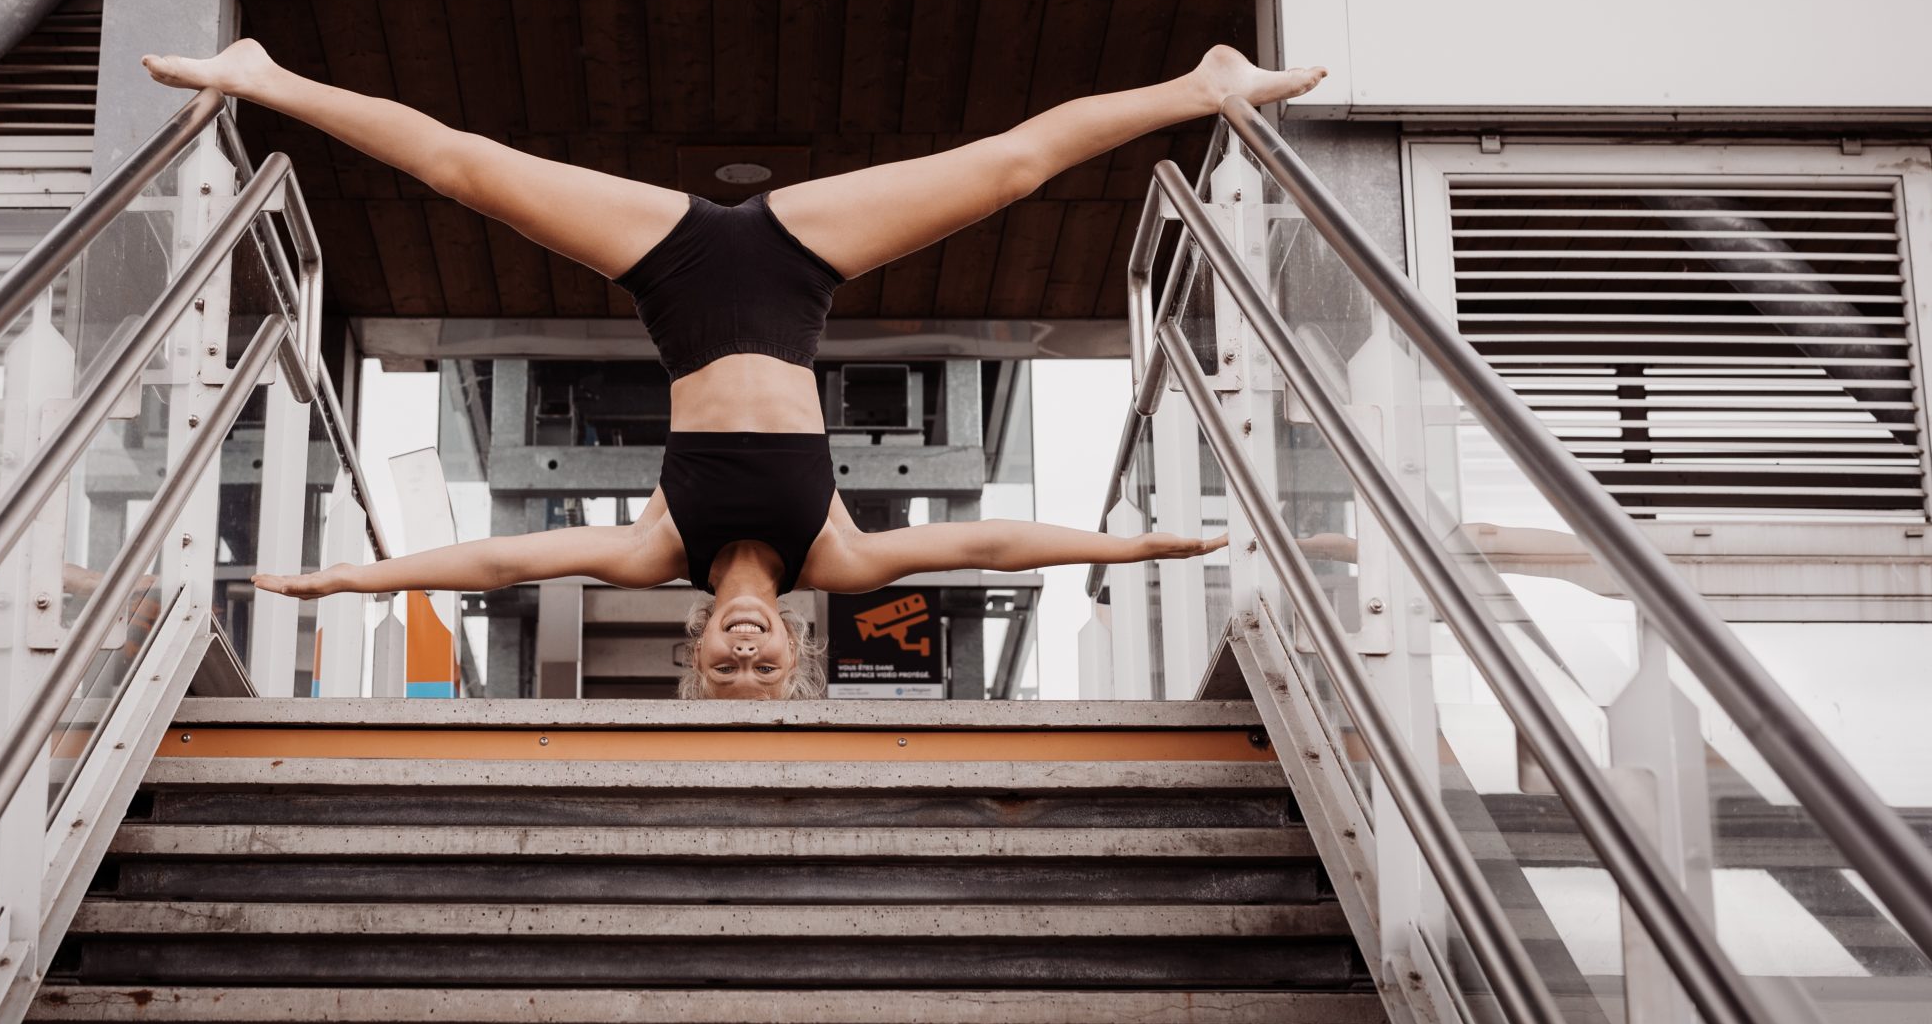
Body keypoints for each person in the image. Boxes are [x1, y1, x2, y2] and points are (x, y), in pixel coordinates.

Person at [141, 38, 1325, 699]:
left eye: (726, 659)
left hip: (675, 275)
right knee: (1008, 170)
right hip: (800, 263)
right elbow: (988, 546)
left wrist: (349, 584)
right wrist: (1127, 547)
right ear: (799, 645)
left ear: (696, 644)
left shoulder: (657, 547)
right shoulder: (840, 555)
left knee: (467, 171)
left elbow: (499, 557)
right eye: (762, 659)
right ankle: (1201, 84)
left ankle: (262, 74)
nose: (745, 650)